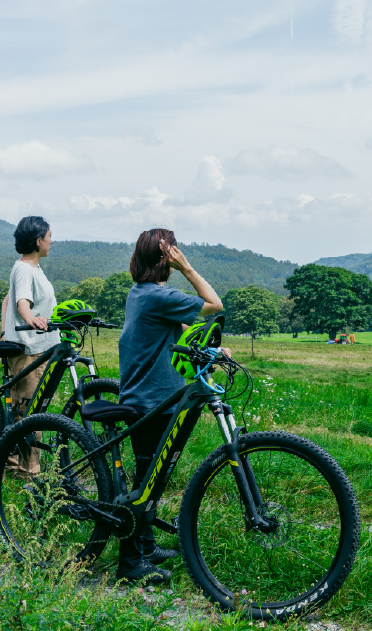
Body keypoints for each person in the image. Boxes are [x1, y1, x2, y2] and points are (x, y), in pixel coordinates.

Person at [115, 227, 226, 585]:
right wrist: (188, 268)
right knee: (148, 478)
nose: (178, 254)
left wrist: (211, 351)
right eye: (174, 251)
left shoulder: (143, 293)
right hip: (151, 401)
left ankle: (145, 545)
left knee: (153, 477)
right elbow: (214, 304)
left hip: (153, 397)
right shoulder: (156, 296)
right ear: (166, 258)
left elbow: (180, 327)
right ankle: (131, 563)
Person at [0, 216, 60, 476]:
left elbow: (8, 298)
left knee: (33, 409)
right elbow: (22, 301)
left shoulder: (33, 269)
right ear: (38, 241)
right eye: (49, 236)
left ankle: (17, 464)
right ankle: (26, 471)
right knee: (28, 411)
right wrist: (29, 318)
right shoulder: (24, 268)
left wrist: (4, 330)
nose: (51, 240)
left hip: (41, 347)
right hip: (29, 349)